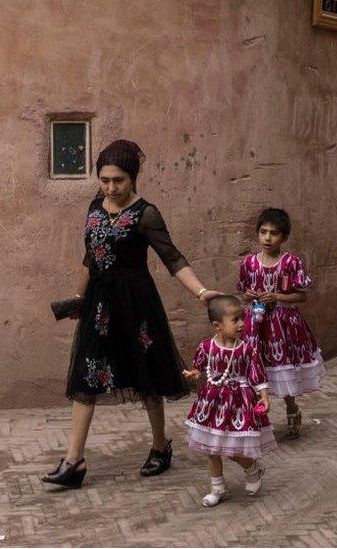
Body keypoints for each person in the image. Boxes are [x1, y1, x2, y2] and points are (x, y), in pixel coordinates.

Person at [41, 139, 223, 489]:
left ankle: (160, 446)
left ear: (133, 178)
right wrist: (79, 298)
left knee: (148, 375)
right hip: (99, 306)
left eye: (118, 181)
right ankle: (73, 462)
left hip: (136, 304)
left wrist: (201, 292)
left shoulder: (146, 214)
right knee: (85, 378)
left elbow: (173, 259)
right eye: (105, 180)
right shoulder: (95, 207)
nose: (111, 187)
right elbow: (89, 258)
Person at [236, 208, 323, 438]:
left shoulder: (291, 262)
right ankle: (257, 416)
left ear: (283, 237)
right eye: (263, 232)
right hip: (255, 325)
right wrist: (251, 295)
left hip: (283, 326)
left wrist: (277, 297)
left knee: (282, 370)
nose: (267, 237)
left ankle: (292, 408)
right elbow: (243, 293)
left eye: (274, 233)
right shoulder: (248, 263)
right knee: (255, 368)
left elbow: (301, 295)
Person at [182, 295, 275, 507]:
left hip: (237, 405)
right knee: (211, 450)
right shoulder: (206, 347)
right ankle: (218, 488)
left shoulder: (246, 349)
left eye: (242, 318)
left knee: (231, 449)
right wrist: (194, 374)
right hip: (212, 404)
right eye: (235, 320)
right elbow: (200, 368)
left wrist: (264, 395)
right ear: (217, 326)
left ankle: (253, 468)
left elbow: (257, 374)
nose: (242, 323)